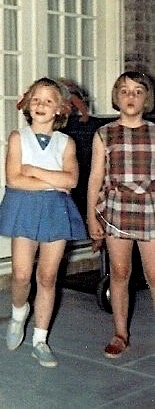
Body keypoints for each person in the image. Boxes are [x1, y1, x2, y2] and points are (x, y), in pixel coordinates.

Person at [0, 77, 86, 368]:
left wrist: (33, 170)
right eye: (36, 100)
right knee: (21, 275)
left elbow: (71, 180)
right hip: (23, 207)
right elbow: (14, 179)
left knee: (47, 277)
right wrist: (49, 179)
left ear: (60, 109)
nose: (41, 105)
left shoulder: (65, 143)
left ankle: (40, 339)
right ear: (27, 105)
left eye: (48, 101)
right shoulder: (18, 137)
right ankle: (19, 312)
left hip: (56, 210)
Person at [86, 71, 155, 358]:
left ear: (146, 99)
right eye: (125, 91)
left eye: (138, 91)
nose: (131, 96)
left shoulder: (153, 132)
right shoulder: (104, 133)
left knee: (154, 274)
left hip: (150, 208)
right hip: (117, 209)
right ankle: (120, 333)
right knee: (120, 272)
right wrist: (93, 217)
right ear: (116, 97)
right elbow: (95, 178)